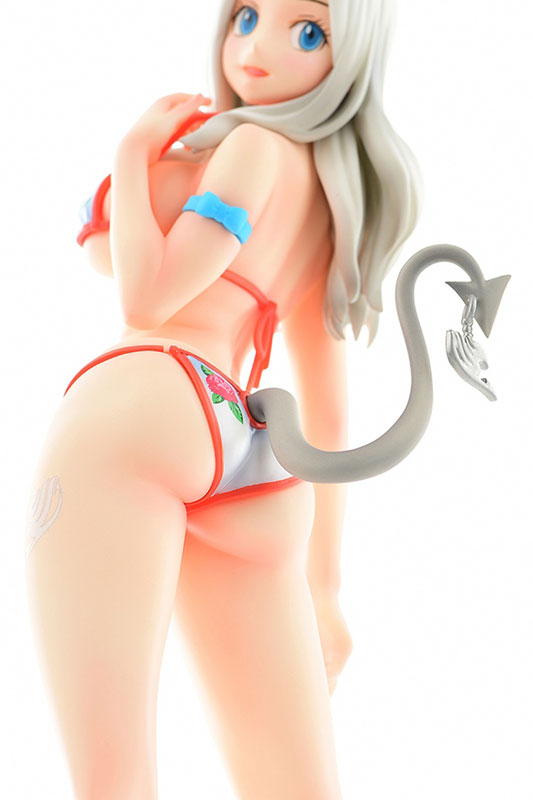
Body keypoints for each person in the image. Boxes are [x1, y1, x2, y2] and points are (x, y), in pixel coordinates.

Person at [24, 1, 420, 797]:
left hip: (143, 403)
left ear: (350, 55)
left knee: (113, 781)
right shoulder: (329, 201)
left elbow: (147, 295)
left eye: (307, 31)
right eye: (246, 15)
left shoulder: (250, 146)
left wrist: (132, 152)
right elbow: (327, 412)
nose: (257, 45)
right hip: (249, 445)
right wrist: (323, 587)